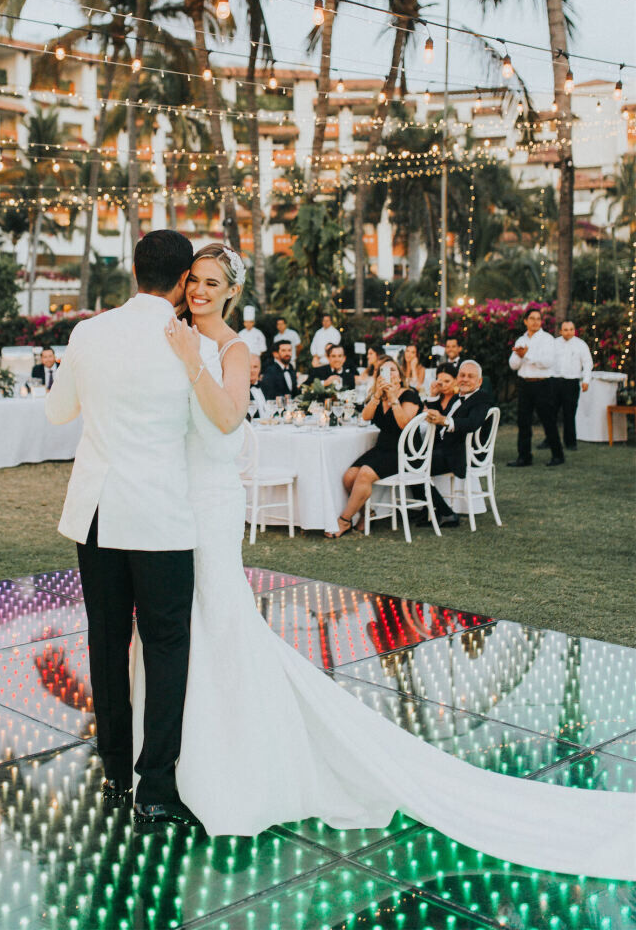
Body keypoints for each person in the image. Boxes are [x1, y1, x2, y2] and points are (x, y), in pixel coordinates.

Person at [161, 247, 634, 879]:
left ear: (230, 293)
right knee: (188, 623)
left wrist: (192, 362)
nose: (199, 290)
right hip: (178, 499)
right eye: (194, 280)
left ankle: (236, 760)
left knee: (220, 618)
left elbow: (223, 421)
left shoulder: (234, 350)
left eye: (212, 283)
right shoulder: (177, 335)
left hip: (213, 500)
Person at [45, 229, 236, 828]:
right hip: (160, 516)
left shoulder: (87, 332)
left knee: (106, 643)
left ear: (133, 271)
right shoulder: (193, 350)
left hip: (98, 513)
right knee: (165, 648)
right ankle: (155, 786)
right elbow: (213, 435)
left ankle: (113, 771)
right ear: (184, 282)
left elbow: (57, 412)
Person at [329, 356, 422, 537]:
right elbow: (365, 416)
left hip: (404, 451)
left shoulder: (409, 395)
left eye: (392, 370)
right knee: (349, 477)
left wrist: (394, 398)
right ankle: (367, 514)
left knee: (364, 473)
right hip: (383, 448)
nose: (388, 374)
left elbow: (404, 425)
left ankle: (344, 520)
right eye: (383, 371)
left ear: (400, 376)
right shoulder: (378, 396)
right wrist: (378, 395)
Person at [420, 360, 493, 528]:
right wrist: (432, 396)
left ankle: (444, 512)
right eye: (462, 375)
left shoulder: (481, 398)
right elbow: (441, 417)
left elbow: (472, 422)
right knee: (410, 460)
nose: (465, 379)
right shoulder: (457, 398)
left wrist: (445, 420)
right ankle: (433, 511)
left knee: (413, 465)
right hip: (447, 449)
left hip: (460, 455)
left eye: (470, 376)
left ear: (479, 381)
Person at [507, 308, 564, 468]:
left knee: (548, 420)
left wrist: (526, 355)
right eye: (532, 318)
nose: (535, 322)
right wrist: (519, 356)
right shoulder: (521, 339)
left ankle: (558, 455)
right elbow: (513, 365)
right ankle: (524, 457)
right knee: (523, 422)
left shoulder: (547, 339)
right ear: (525, 321)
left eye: (538, 319)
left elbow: (547, 362)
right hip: (525, 384)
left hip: (542, 384)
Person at [552, 321, 593, 450]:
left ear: (574, 330)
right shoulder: (554, 343)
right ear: (561, 331)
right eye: (565, 330)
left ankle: (570, 443)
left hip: (571, 383)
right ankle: (550, 440)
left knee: (569, 414)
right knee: (550, 413)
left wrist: (586, 380)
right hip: (555, 381)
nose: (568, 332)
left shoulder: (581, 345)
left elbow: (587, 363)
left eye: (571, 329)